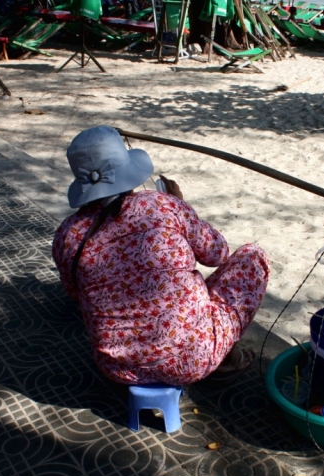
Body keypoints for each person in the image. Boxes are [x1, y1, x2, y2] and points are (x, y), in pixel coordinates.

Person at [52, 126, 270, 386]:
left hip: (116, 368)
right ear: (125, 171)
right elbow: (217, 254)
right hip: (190, 362)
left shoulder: (67, 233)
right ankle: (225, 357)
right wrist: (182, 205)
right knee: (252, 256)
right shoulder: (161, 205)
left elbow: (75, 292)